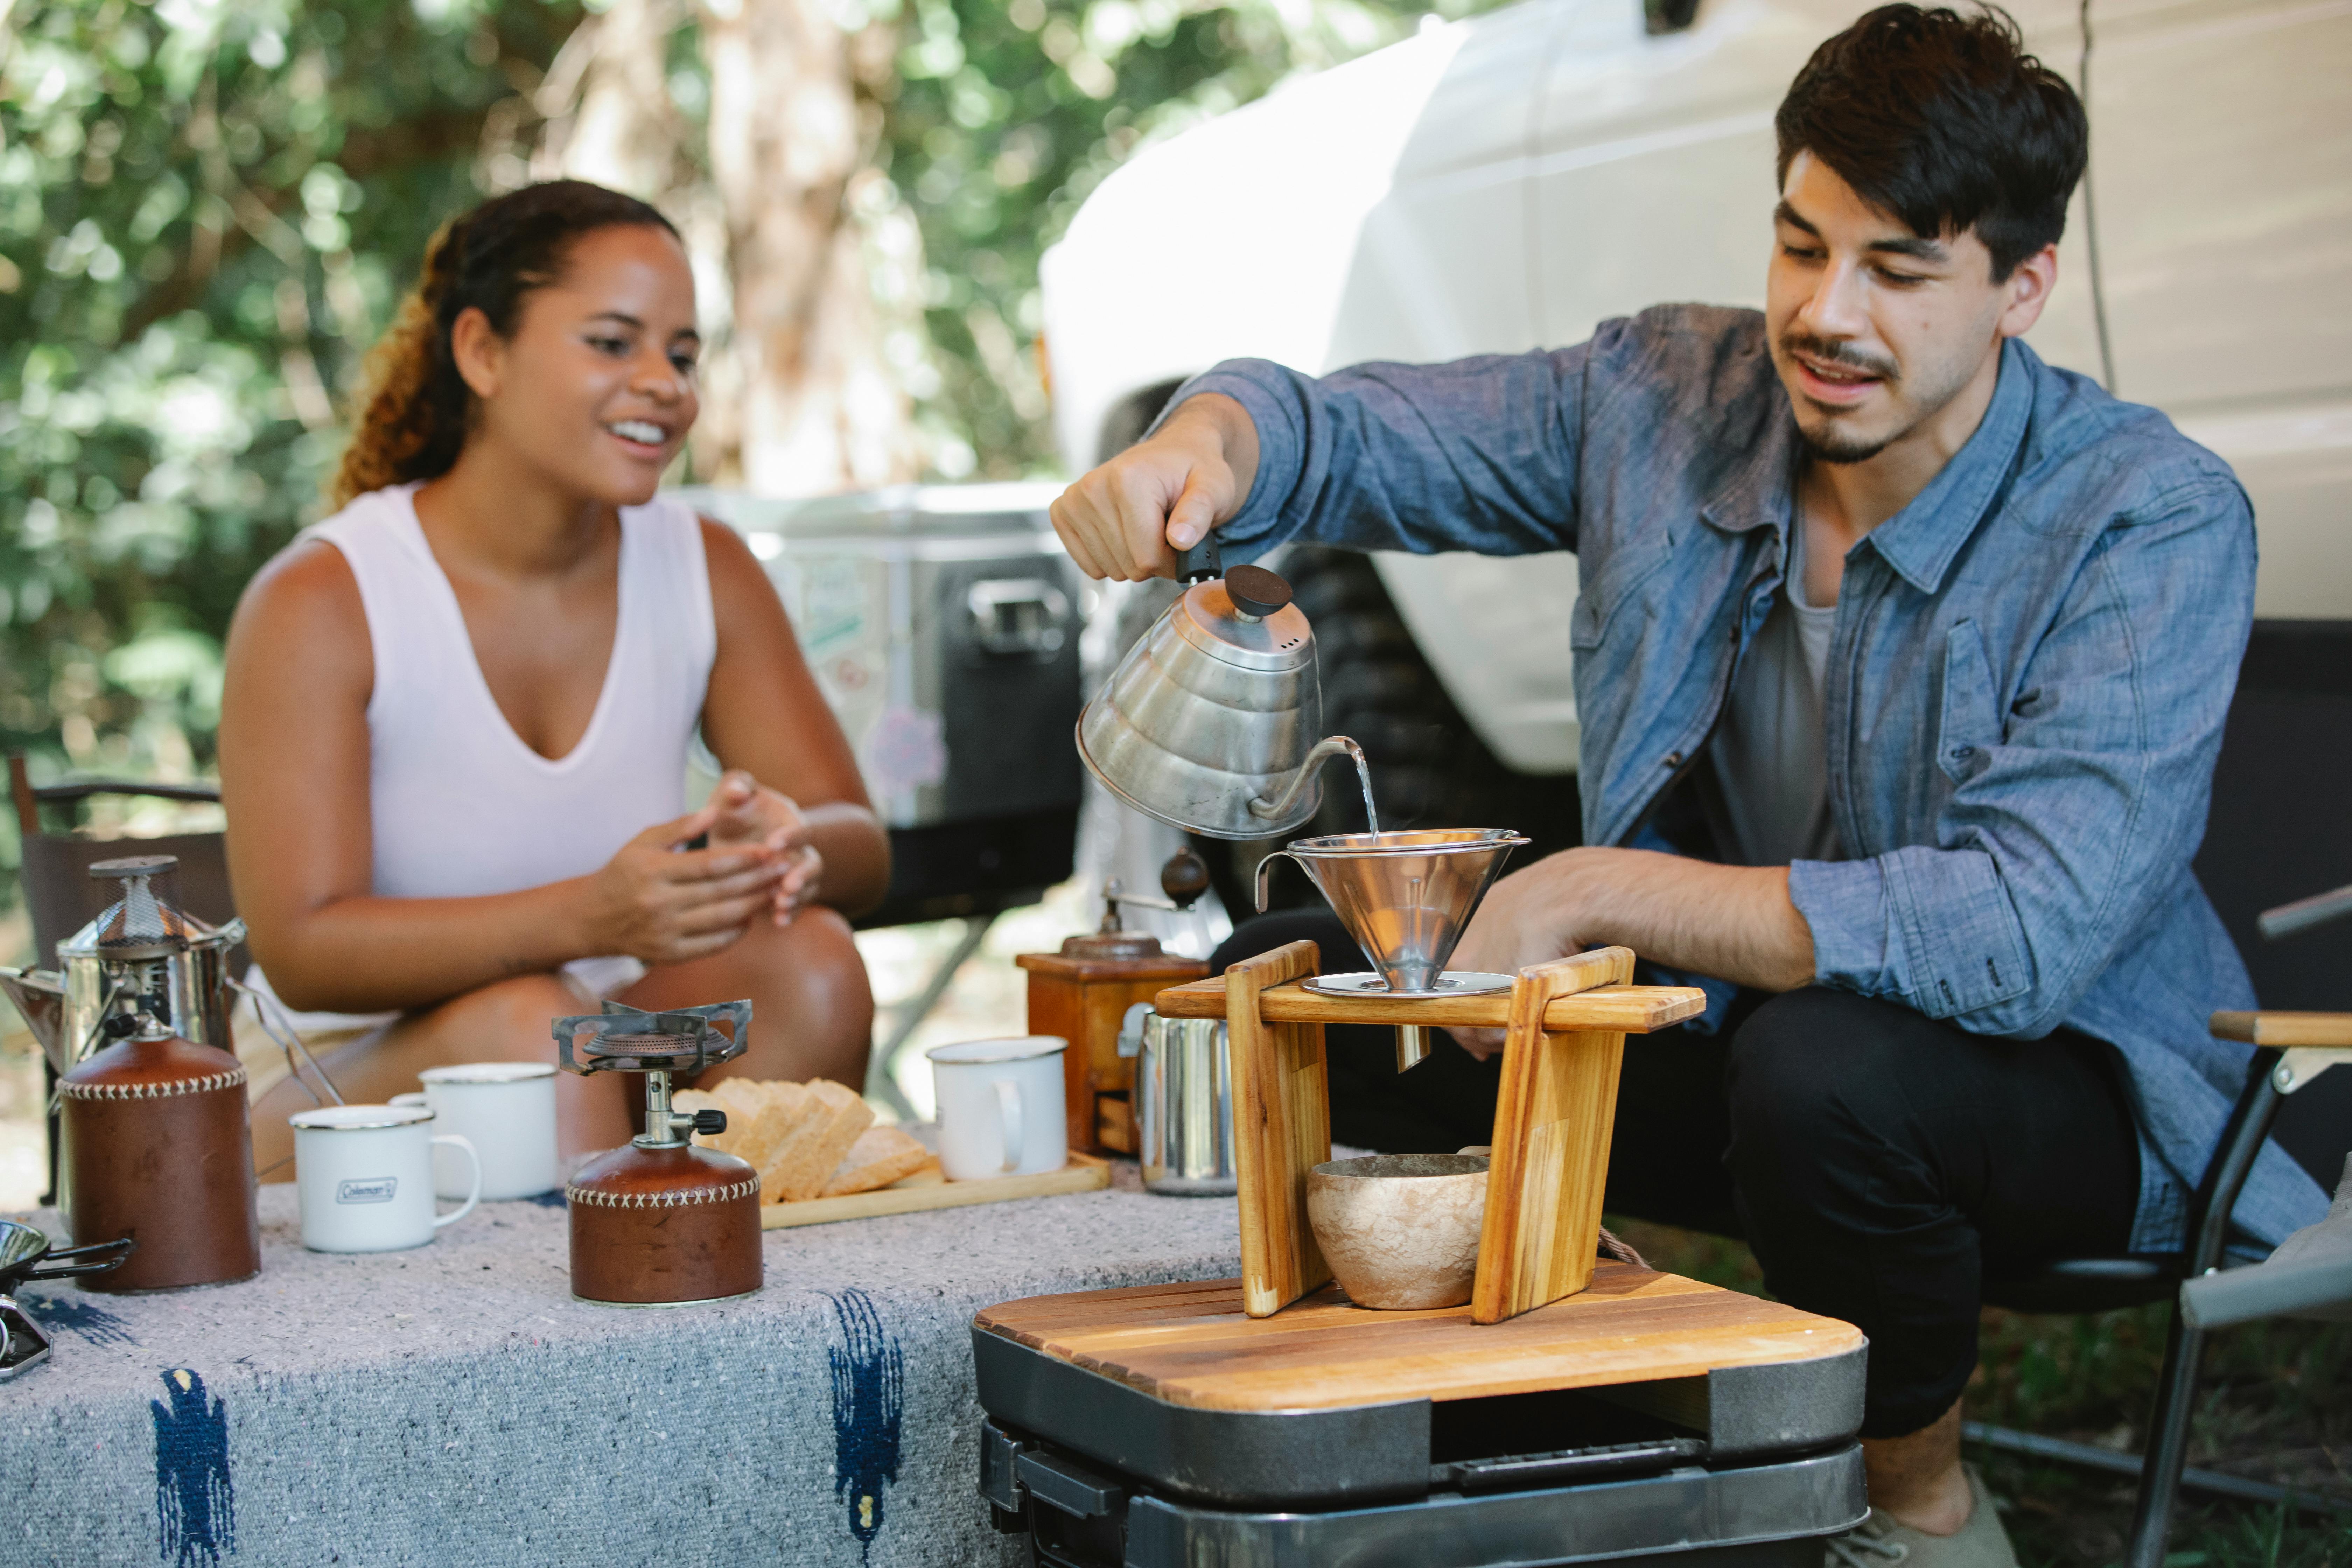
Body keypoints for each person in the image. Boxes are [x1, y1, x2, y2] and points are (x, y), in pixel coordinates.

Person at [1048, 7, 2328, 1561]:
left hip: (2065, 1089)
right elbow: (1370, 433)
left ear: (2022, 286)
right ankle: (1449, 1471)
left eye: (1899, 271)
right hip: (1732, 1035)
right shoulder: (1669, 394)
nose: (1825, 313)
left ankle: (1917, 1505)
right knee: (1301, 988)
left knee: (1829, 1072)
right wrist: (1212, 437)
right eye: (1801, 247)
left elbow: (2017, 934)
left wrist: (1588, 887)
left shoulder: (2147, 516)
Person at [221, 180, 888, 1176]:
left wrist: (783, 850)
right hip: (331, 1086)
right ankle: (598, 1325)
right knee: (537, 1035)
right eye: (613, 343)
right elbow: (305, 949)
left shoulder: (703, 563)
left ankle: (748, 1307)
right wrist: (592, 914)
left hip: (595, 1044)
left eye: (683, 354)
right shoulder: (323, 598)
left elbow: (860, 843)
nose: (663, 382)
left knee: (815, 967)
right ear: (483, 352)